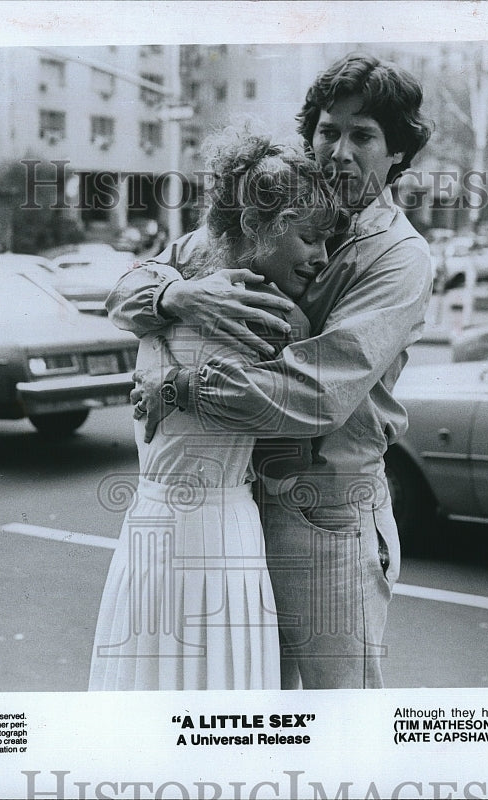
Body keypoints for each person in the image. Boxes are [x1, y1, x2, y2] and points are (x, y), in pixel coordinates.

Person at [106, 53, 434, 689]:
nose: (339, 151)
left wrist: (180, 386)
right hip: (238, 504)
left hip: (323, 509)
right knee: (257, 706)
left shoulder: (398, 258)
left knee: (338, 715)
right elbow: (124, 290)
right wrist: (177, 297)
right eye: (327, 131)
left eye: (363, 136)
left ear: (396, 153)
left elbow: (316, 392)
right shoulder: (258, 221)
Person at [88, 132, 345, 691]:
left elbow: (126, 294)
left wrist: (175, 378)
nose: (322, 257)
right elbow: (295, 404)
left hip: (151, 522)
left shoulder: (177, 281)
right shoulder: (271, 316)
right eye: (310, 238)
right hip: (216, 528)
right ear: (259, 226)